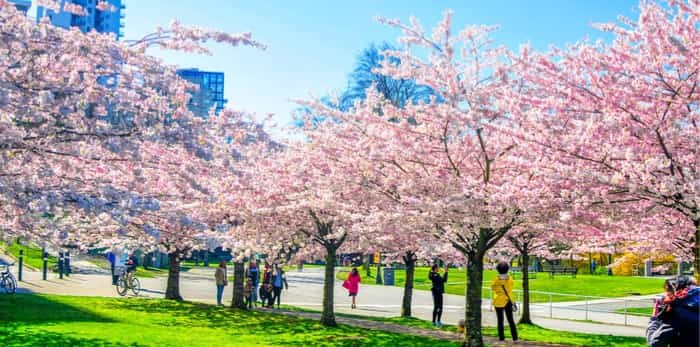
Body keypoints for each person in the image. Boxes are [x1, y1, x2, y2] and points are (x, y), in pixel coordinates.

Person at [646, 275, 699, 347]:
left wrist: (655, 318)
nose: (666, 298)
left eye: (668, 295)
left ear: (676, 292)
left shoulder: (678, 312)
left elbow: (655, 343)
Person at [491, 261, 518, 342]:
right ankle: (515, 338)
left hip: (498, 300)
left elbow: (493, 288)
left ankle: (501, 338)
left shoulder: (496, 280)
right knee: (511, 320)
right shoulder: (510, 279)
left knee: (500, 320)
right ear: (507, 269)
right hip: (508, 300)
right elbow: (511, 287)